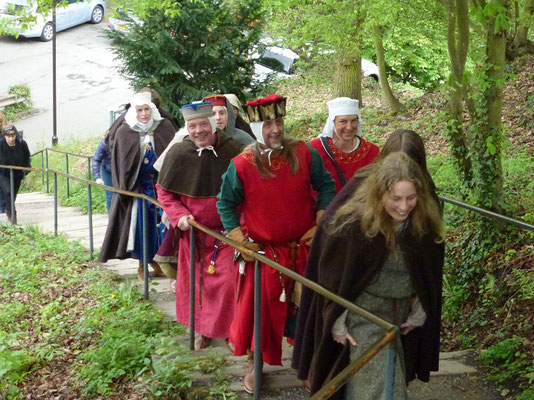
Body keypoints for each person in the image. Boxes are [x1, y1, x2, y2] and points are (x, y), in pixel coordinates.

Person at [292, 129, 441, 391]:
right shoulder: (355, 218)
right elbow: (336, 271)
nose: (404, 206)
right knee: (381, 385)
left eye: (410, 198)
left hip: (400, 316)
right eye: (395, 198)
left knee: (380, 383)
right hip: (364, 315)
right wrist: (336, 317)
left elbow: (427, 269)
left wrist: (420, 308)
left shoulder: (424, 212)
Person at [216, 94, 336, 393]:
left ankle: (309, 365)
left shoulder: (305, 153)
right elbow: (225, 203)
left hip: (303, 249)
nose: (275, 129)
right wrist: (239, 240)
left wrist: (322, 214)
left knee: (309, 313)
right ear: (257, 127)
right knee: (260, 314)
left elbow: (325, 185)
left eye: (279, 121)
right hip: (265, 256)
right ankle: (254, 364)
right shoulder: (242, 165)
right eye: (268, 123)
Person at [156, 101, 244, 350]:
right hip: (193, 235)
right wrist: (180, 216)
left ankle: (229, 330)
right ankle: (200, 329)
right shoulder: (178, 153)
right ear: (187, 128)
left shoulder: (235, 150)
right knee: (195, 285)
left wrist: (238, 226)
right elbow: (164, 193)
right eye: (193, 126)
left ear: (214, 123)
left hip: (226, 234)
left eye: (203, 124)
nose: (198, 131)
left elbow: (250, 192)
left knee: (228, 283)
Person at [98, 92, 175, 281]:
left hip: (161, 186)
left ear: (152, 109)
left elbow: (174, 156)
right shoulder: (125, 131)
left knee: (162, 227)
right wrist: (127, 185)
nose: (143, 114)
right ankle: (143, 263)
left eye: (146, 109)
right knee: (142, 226)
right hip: (139, 187)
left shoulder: (164, 127)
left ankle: (162, 261)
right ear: (134, 111)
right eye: (140, 110)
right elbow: (122, 163)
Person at [309, 97, 379, 193]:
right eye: (343, 121)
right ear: (332, 122)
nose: (349, 127)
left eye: (354, 121)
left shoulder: (372, 152)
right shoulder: (314, 150)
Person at [0, 124, 31, 223]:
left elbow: (27, 157)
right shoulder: (0, 145)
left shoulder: (22, 144)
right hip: (3, 174)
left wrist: (26, 168)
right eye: (8, 136)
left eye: (13, 136)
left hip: (17, 174)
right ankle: (13, 218)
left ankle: (8, 210)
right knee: (9, 193)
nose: (11, 139)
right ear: (4, 136)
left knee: (12, 196)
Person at [92, 132, 113, 211]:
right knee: (110, 195)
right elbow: (96, 160)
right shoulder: (104, 144)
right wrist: (97, 177)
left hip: (121, 171)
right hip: (108, 171)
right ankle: (111, 216)